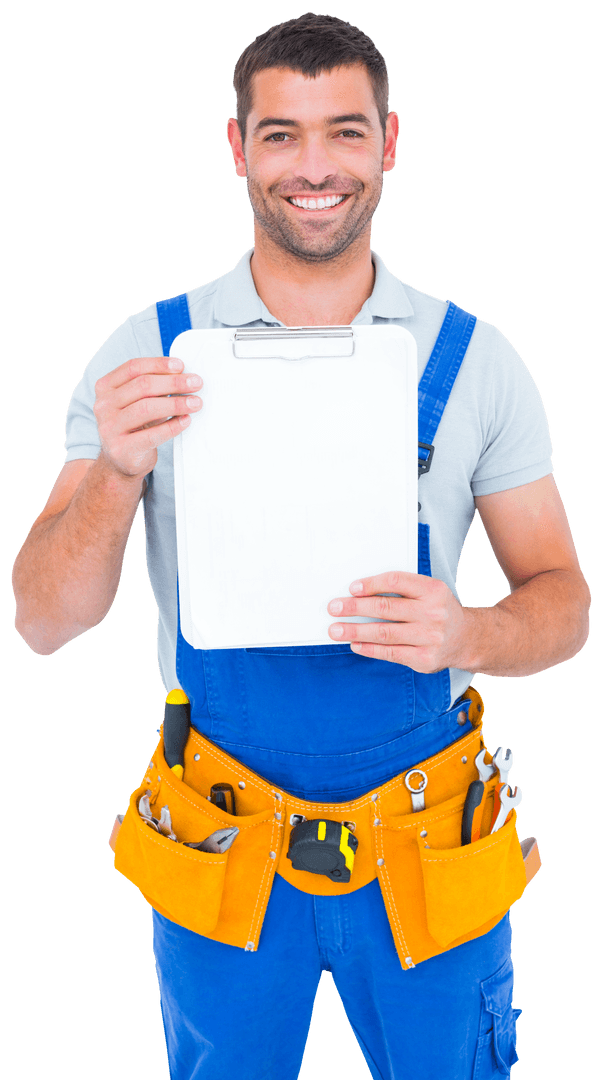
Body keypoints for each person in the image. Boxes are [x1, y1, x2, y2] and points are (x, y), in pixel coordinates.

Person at [11, 13, 590, 1080]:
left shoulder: (476, 362)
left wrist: (471, 629)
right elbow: (45, 620)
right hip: (221, 839)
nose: (313, 167)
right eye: (281, 135)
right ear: (238, 149)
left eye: (343, 132)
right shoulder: (145, 351)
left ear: (390, 142)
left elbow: (563, 604)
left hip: (428, 839)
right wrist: (117, 468)